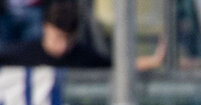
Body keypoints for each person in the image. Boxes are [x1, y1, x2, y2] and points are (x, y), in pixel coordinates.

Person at [0, 0, 164, 68]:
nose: (63, 46)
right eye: (58, 37)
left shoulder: (82, 56)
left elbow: (115, 67)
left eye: (69, 39)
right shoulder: (22, 54)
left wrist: (153, 60)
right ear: (45, 28)